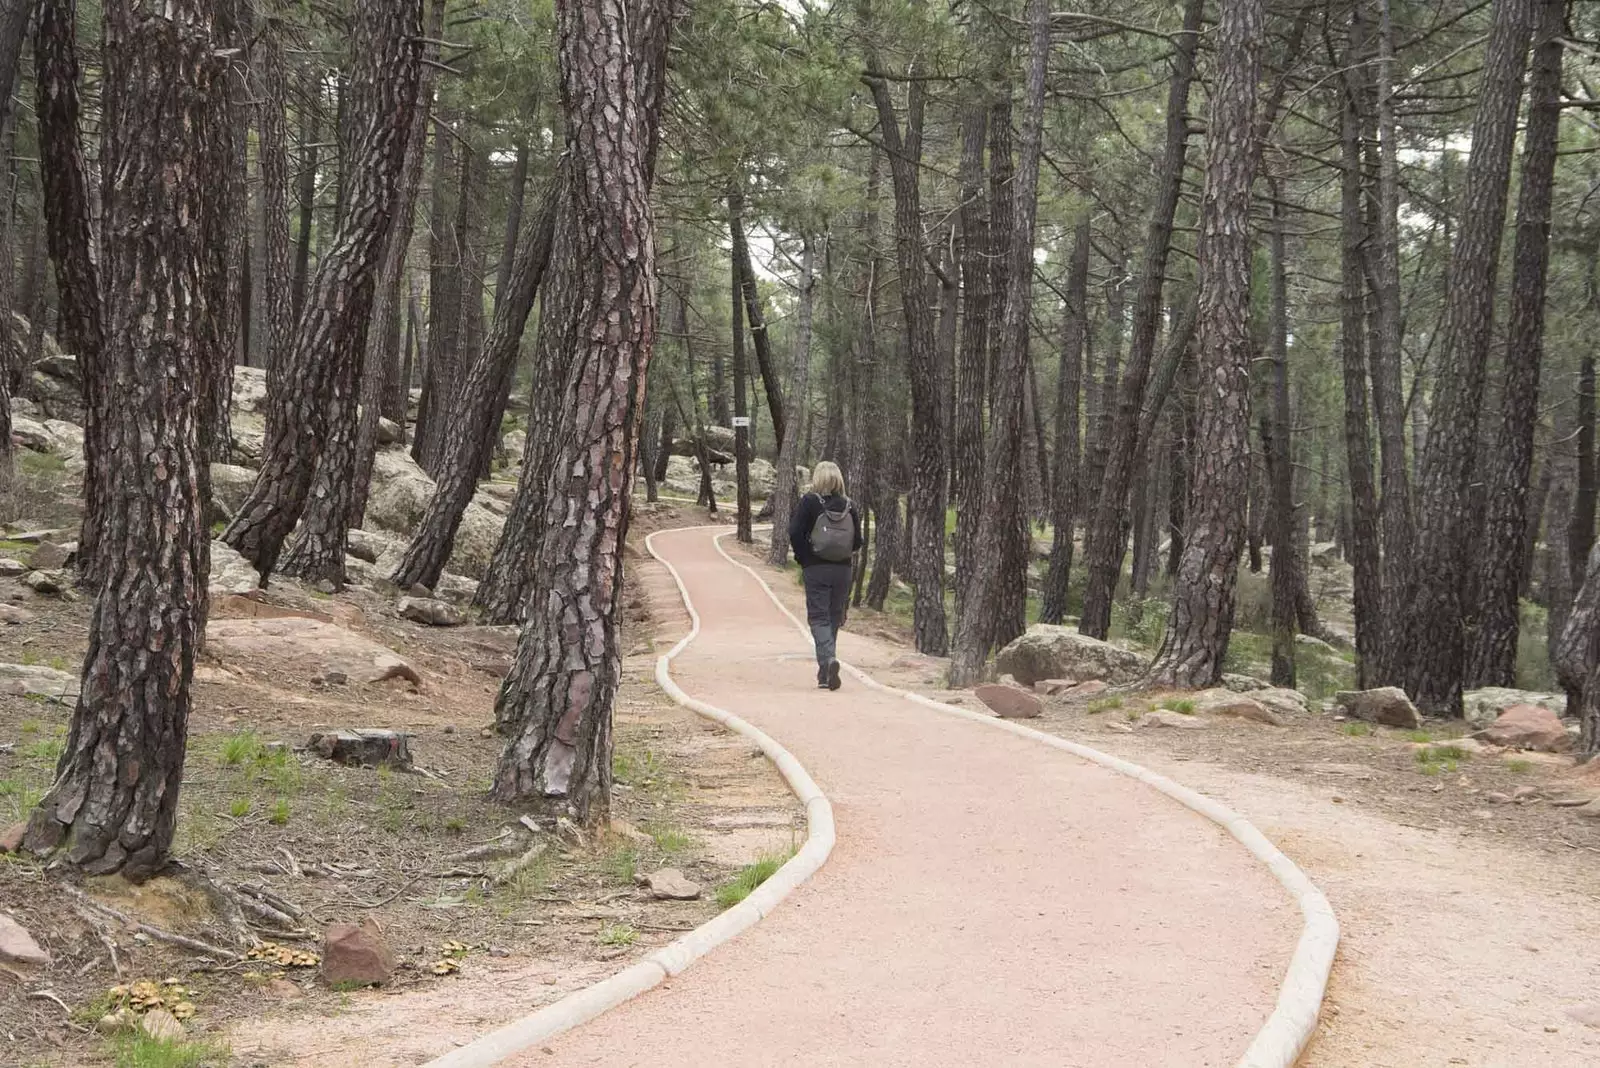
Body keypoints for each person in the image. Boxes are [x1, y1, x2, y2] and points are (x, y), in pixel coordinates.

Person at [787, 461, 864, 690]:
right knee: (833, 616)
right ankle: (825, 674)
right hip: (843, 570)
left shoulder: (810, 502)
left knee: (818, 617)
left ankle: (828, 660)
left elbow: (794, 532)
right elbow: (858, 541)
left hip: (816, 568)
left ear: (818, 479)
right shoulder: (850, 505)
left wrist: (804, 558)